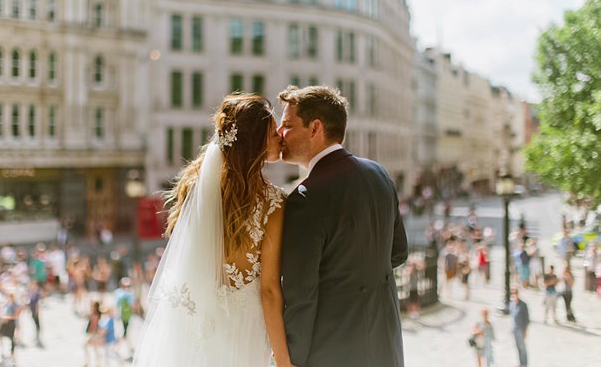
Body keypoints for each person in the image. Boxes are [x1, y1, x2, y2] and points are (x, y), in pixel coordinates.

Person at [132, 94, 289, 366]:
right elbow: (270, 291)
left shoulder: (196, 188)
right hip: (245, 332)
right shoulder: (273, 204)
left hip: (197, 329)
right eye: (273, 132)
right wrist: (284, 360)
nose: (280, 136)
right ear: (256, 143)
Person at [277, 86, 408, 367]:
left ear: (315, 128)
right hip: (386, 346)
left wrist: (292, 360)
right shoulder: (380, 174)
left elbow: (301, 296)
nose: (279, 133)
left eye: (287, 124)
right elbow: (398, 253)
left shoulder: (305, 198)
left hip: (332, 351)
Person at [510, 288, 530, 367]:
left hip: (521, 329)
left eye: (515, 293)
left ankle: (524, 363)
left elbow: (527, 319)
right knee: (517, 347)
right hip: (515, 329)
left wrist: (525, 331)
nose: (514, 295)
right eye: (512, 293)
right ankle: (521, 363)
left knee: (522, 347)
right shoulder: (512, 304)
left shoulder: (523, 305)